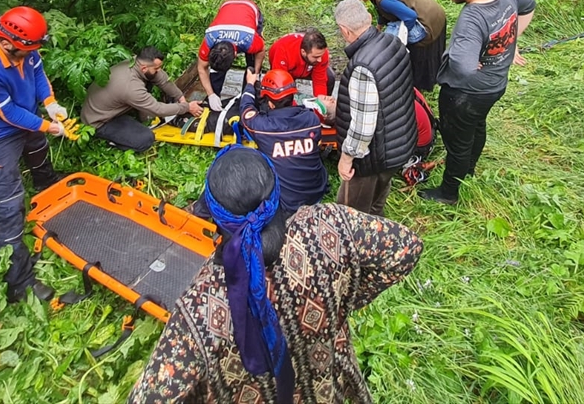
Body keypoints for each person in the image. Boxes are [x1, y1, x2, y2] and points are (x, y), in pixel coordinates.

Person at [127, 146, 422, 404]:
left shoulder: (198, 310)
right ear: (277, 193)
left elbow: (149, 397)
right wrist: (342, 299)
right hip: (325, 389)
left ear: (214, 217)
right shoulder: (327, 226)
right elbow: (406, 248)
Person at [0, 6, 67, 303]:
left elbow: (38, 73)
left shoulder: (26, 48)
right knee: (9, 203)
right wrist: (47, 126)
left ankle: (47, 189)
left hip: (27, 116)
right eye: (27, 50)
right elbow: (7, 113)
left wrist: (49, 103)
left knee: (38, 151)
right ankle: (18, 281)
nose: (31, 53)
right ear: (7, 42)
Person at [423, 0, 535, 206]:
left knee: (458, 143)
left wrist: (468, 59)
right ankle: (468, 170)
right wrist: (510, 41)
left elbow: (463, 67)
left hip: (466, 94)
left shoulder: (472, 19)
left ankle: (448, 193)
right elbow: (529, 6)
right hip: (495, 85)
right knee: (476, 127)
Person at [331, 0, 418, 216]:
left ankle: (358, 237)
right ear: (369, 18)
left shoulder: (362, 67)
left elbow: (363, 126)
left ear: (344, 30)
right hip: (399, 143)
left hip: (372, 157)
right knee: (377, 198)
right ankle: (377, 229)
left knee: (350, 213)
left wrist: (346, 158)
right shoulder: (393, 42)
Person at [238, 68, 329, 213]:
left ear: (271, 104)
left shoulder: (262, 127)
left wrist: (250, 84)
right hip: (316, 192)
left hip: (287, 201)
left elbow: (245, 110)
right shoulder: (312, 119)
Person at [81, 46, 203, 151]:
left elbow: (163, 80)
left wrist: (180, 97)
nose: (159, 71)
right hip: (100, 120)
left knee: (151, 77)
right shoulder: (131, 87)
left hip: (108, 103)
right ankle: (114, 141)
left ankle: (140, 115)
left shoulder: (135, 62)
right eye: (156, 68)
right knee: (146, 139)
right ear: (144, 68)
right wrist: (186, 107)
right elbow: (158, 109)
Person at [343, 0, 448, 91]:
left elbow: (410, 17)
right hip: (431, 12)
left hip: (427, 22)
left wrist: (403, 35)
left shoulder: (384, 0)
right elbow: (382, 12)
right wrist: (379, 26)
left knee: (391, 45)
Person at [196, 0, 265, 111]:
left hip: (249, 8)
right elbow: (201, 68)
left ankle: (248, 95)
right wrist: (211, 94)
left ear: (235, 54)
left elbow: (261, 50)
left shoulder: (250, 40)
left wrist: (256, 73)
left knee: (252, 65)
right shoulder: (209, 40)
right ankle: (214, 97)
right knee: (217, 68)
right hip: (226, 7)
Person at [267, 28, 336, 99]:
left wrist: (321, 102)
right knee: (281, 89)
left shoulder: (320, 53)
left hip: (305, 69)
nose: (320, 60)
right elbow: (279, 83)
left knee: (329, 77)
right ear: (303, 52)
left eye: (321, 56)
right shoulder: (283, 51)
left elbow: (320, 81)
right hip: (285, 70)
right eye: (316, 57)